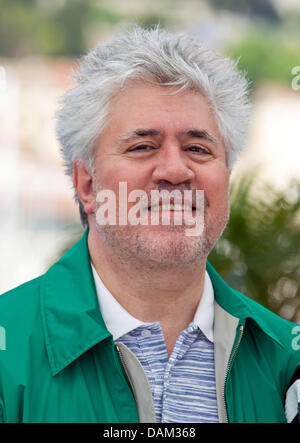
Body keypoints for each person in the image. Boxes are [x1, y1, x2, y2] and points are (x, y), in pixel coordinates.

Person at [0, 26, 299, 424]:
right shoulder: (9, 351)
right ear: (86, 184)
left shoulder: (288, 364)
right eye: (142, 146)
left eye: (198, 148)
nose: (176, 171)